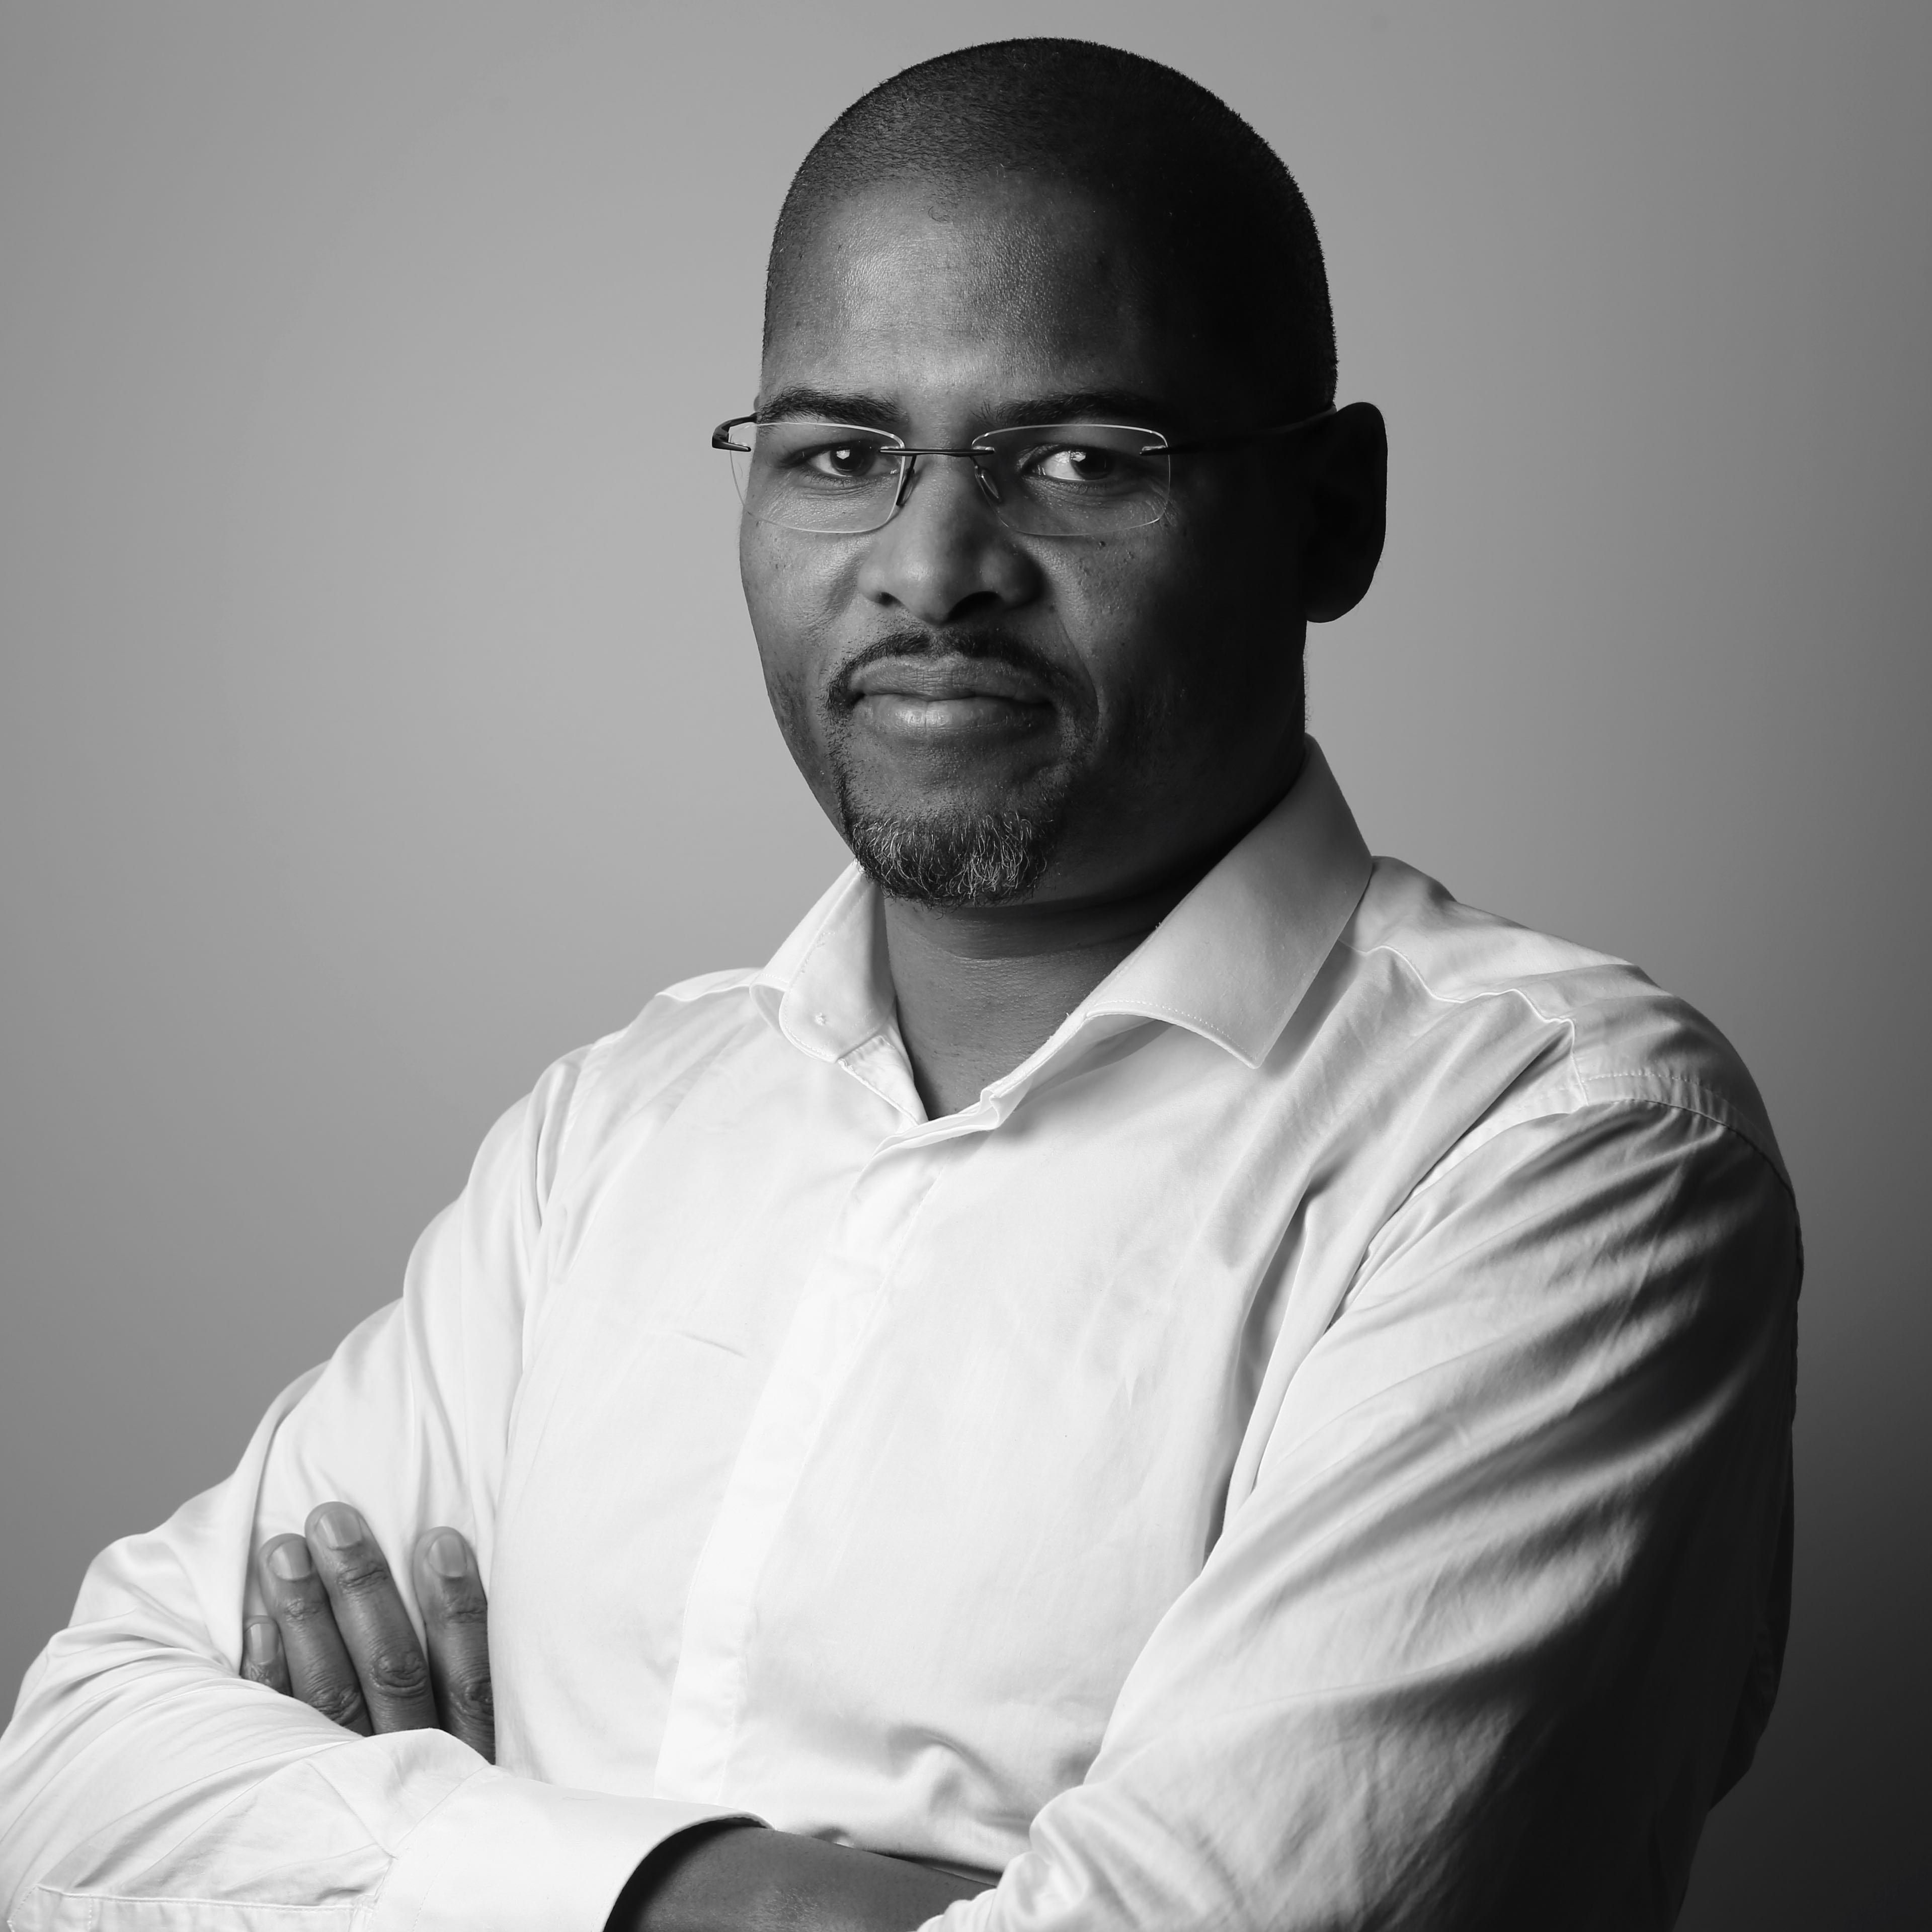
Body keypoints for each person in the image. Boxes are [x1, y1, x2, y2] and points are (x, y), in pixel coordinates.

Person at [0, 37, 1798, 1932]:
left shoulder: (1561, 1148)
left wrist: (438, 1852)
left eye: (1082, 458)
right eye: (843, 457)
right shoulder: (618, 1131)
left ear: (1330, 514)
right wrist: (734, 1893)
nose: (932, 571)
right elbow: (68, 1780)